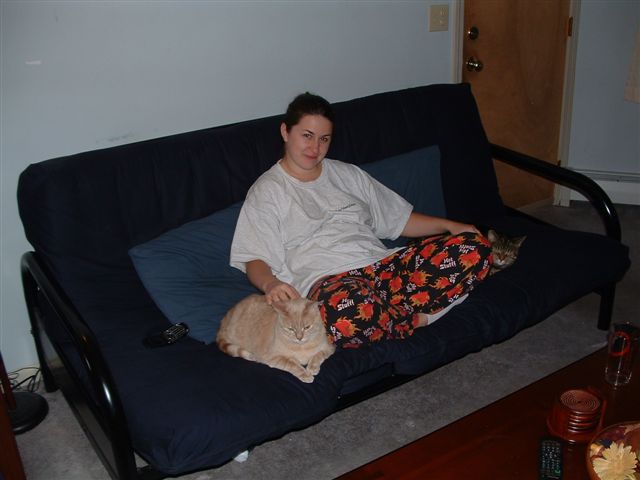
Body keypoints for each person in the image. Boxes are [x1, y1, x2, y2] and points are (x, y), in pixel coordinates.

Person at [230, 92, 493, 349]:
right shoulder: (268, 190)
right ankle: (420, 317)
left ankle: (386, 316)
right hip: (331, 283)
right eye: (307, 136)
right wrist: (270, 284)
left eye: (324, 139)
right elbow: (255, 258)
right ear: (285, 132)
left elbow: (400, 220)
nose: (315, 148)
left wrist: (450, 226)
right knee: (342, 314)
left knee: (476, 248)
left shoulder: (348, 174)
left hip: (383, 268)